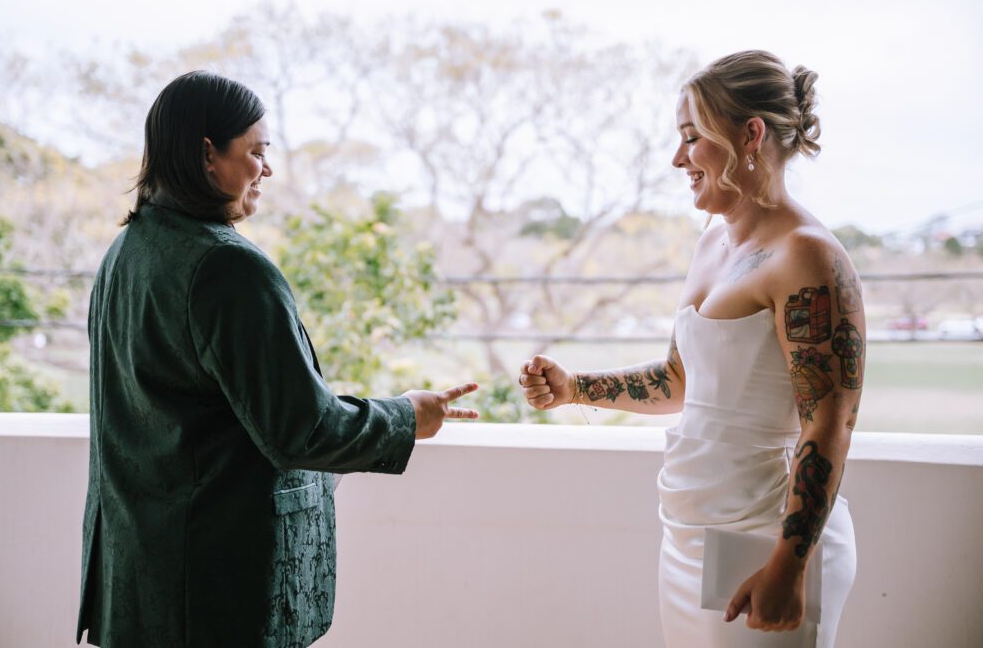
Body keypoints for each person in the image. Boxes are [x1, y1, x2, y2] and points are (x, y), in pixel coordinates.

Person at [76, 70, 478, 648]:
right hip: (211, 591)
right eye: (256, 152)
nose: (267, 169)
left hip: (136, 576)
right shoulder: (227, 268)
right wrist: (407, 416)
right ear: (207, 154)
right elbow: (300, 430)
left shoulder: (127, 252)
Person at [519, 50, 862, 647]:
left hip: (766, 537)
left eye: (691, 137)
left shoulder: (808, 255)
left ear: (750, 134)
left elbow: (830, 420)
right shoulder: (712, 244)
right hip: (687, 529)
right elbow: (682, 380)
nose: (678, 159)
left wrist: (790, 565)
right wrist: (576, 387)